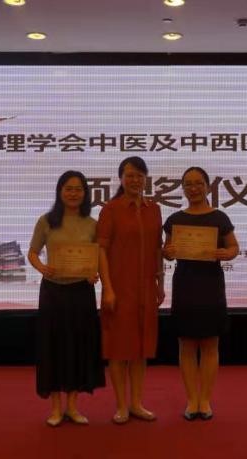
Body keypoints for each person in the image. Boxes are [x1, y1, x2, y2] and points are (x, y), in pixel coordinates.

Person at [28, 170, 105, 427]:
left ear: (85, 193)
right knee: (54, 347)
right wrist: (42, 268)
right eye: (68, 188)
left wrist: (94, 274)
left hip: (81, 293)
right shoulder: (46, 221)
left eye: (78, 189)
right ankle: (55, 408)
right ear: (60, 191)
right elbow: (32, 253)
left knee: (78, 347)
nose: (73, 193)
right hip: (53, 292)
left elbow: (97, 257)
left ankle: (72, 406)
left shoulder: (92, 224)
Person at [162, 166, 239, 421]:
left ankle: (205, 399)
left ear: (207, 186)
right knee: (186, 344)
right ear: (182, 188)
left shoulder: (219, 218)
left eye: (198, 183)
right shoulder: (174, 219)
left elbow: (233, 247)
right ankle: (191, 400)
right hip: (185, 284)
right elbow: (167, 250)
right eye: (188, 184)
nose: (193, 188)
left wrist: (226, 253)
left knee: (209, 344)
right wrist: (167, 252)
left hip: (210, 285)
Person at [97, 156, 165, 424]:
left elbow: (157, 248)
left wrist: (160, 283)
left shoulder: (154, 209)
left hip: (146, 288)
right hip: (119, 287)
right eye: (129, 175)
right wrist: (108, 288)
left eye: (139, 175)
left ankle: (137, 403)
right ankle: (121, 405)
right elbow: (101, 251)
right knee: (118, 348)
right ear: (121, 179)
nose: (135, 180)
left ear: (145, 178)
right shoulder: (111, 209)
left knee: (140, 348)